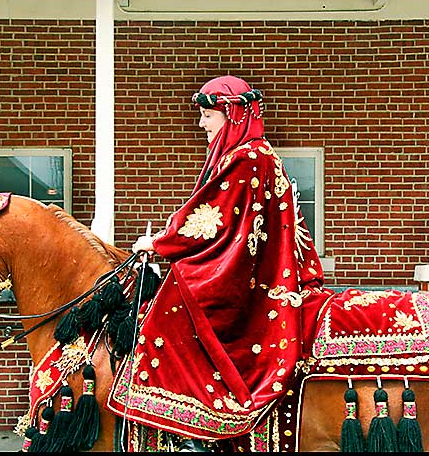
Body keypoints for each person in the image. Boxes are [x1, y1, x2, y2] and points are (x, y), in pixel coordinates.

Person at [105, 75, 331, 451]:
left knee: (172, 309)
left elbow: (212, 219)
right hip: (249, 269)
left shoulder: (248, 158)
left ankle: (193, 431)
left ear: (230, 113)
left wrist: (159, 244)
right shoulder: (251, 154)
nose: (201, 124)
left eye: (207, 115)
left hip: (248, 281)